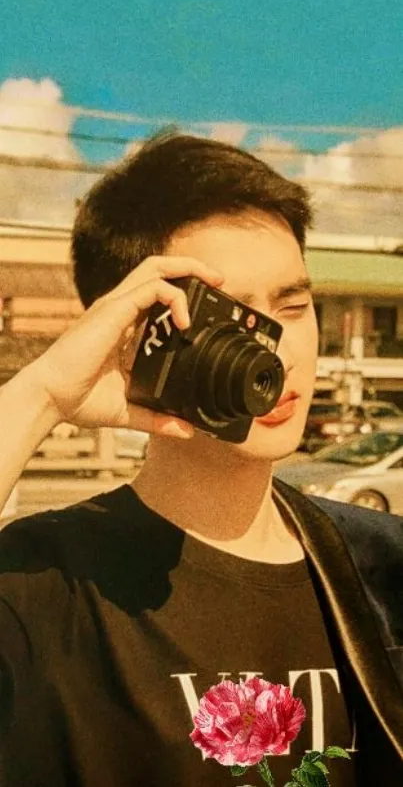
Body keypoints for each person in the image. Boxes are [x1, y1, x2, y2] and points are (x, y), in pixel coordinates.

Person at [0, 133, 402, 787]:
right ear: (133, 336)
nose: (275, 352)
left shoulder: (379, 561)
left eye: (292, 307)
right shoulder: (49, 580)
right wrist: (41, 395)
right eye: (228, 319)